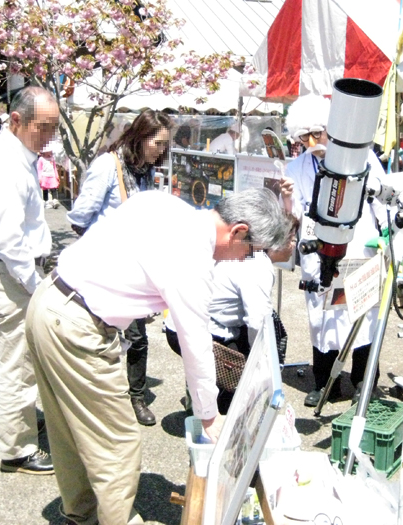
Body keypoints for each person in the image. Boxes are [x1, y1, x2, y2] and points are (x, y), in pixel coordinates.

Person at [25, 188, 290, 525]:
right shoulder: (193, 259)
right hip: (77, 324)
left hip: (49, 300)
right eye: (250, 250)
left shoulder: (165, 203)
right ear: (238, 230)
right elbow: (196, 346)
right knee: (117, 442)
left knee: (67, 429)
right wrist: (209, 416)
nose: (243, 258)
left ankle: (81, 515)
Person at [0, 86, 60, 475]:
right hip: (12, 273)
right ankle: (17, 450)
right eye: (44, 127)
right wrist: (34, 284)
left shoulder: (10, 155)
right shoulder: (7, 164)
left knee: (22, 361)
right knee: (17, 365)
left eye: (55, 127)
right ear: (17, 121)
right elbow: (10, 239)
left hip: (12, 270)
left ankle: (21, 423)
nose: (50, 136)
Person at [66, 109, 173, 427]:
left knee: (137, 338)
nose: (161, 150)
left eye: (164, 145)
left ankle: (135, 396)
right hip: (104, 270)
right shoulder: (107, 166)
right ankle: (96, 401)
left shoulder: (144, 170)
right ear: (140, 137)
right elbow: (79, 217)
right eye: (158, 143)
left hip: (136, 267)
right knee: (103, 337)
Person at [284, 94, 387, 407]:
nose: (313, 141)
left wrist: (386, 236)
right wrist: (288, 201)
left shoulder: (363, 157)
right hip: (318, 249)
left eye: (317, 133)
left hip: (359, 244)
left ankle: (363, 381)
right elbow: (297, 212)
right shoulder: (296, 167)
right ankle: (323, 382)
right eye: (305, 136)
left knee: (362, 314)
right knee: (322, 317)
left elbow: (382, 197)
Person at [165, 179, 297, 414]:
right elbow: (257, 321)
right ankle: (217, 414)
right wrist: (263, 364)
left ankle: (199, 397)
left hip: (182, 323)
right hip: (194, 327)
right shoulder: (258, 263)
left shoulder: (248, 250)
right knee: (236, 376)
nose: (294, 245)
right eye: (290, 240)